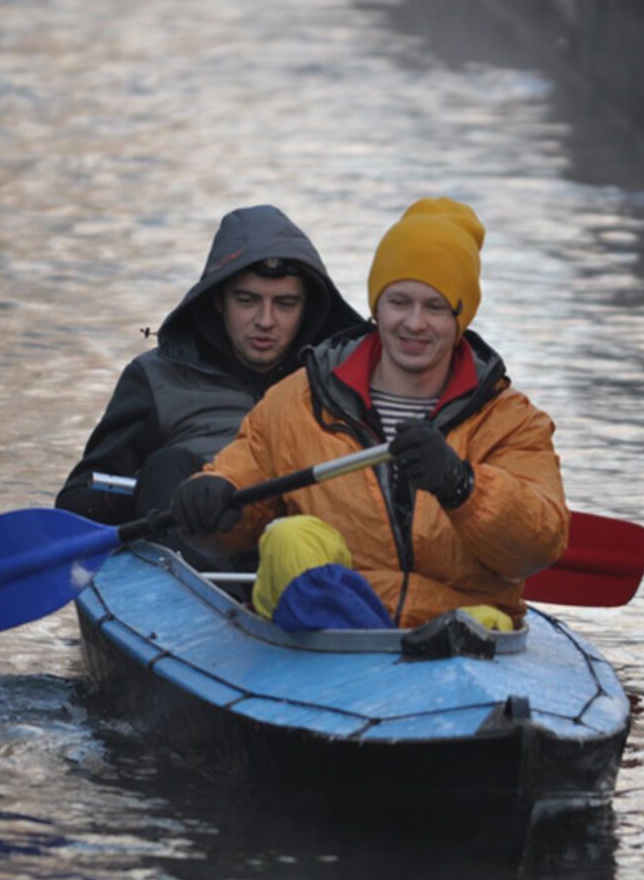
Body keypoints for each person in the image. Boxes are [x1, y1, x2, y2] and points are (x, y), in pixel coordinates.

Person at [168, 197, 570, 628]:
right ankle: (348, 635)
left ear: (462, 316)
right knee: (290, 536)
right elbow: (241, 483)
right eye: (399, 302)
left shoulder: (512, 421)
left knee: (486, 622)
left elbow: (538, 545)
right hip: (328, 621)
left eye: (435, 307)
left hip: (458, 626)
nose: (414, 323)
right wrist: (214, 497)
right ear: (376, 307)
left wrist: (462, 486)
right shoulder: (296, 400)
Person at [55, 204, 363, 562]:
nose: (265, 320)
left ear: (308, 308)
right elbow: (78, 501)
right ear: (218, 299)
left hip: (309, 557)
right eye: (247, 301)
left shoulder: (340, 383)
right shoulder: (154, 379)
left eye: (285, 304)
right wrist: (162, 491)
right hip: (198, 565)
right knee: (168, 466)